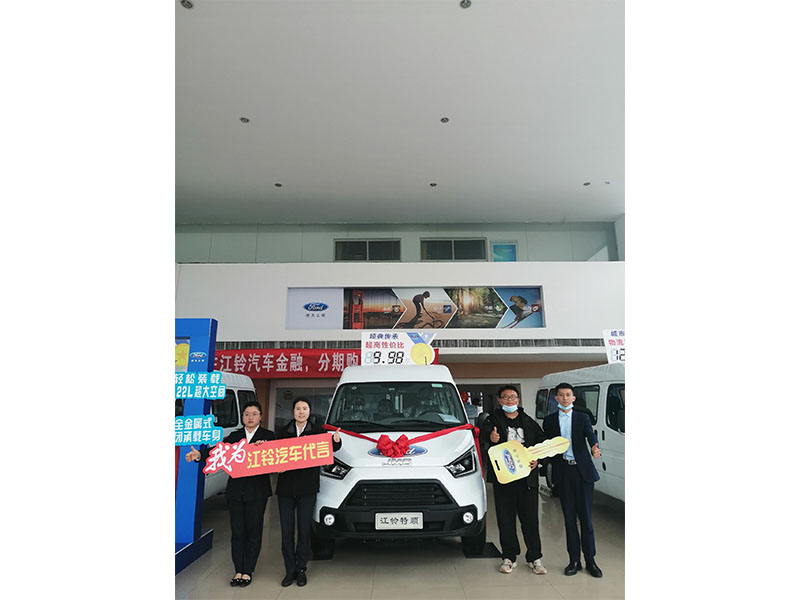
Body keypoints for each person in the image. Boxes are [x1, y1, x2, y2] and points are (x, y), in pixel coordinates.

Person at [185, 400, 276, 587]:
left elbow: (278, 458)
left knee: (254, 531)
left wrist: (265, 448)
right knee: (237, 532)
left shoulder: (268, 436)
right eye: (247, 414)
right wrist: (200, 455)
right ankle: (238, 570)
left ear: (260, 417)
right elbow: (218, 451)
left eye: (254, 414)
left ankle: (248, 570)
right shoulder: (235, 436)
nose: (250, 417)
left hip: (257, 492)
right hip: (236, 492)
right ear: (242, 417)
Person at [479, 385, 547, 575]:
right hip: (505, 479)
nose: (510, 400)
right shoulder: (493, 420)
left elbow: (541, 443)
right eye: (506, 397)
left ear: (518, 400)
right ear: (499, 400)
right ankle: (509, 557)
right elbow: (483, 435)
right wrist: (491, 437)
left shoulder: (528, 421)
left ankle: (535, 558)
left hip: (527, 480)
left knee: (530, 520)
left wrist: (538, 460)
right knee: (506, 520)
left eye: (513, 397)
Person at [277, 398, 342, 587]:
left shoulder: (318, 432)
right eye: (298, 408)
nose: (301, 412)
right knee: (287, 532)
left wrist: (336, 441)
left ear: (309, 411)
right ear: (293, 411)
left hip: (307, 488)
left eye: (304, 408)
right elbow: (271, 455)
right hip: (286, 489)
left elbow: (331, 448)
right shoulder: (282, 432)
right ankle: (289, 570)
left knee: (304, 530)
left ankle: (301, 569)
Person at [542, 382, 603, 578]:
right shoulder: (550, 421)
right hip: (564, 472)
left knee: (586, 519)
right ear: (556, 398)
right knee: (569, 520)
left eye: (568, 395)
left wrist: (595, 447)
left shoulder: (582, 417)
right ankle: (574, 561)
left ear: (573, 398)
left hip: (582, 472)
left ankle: (590, 561)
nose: (565, 398)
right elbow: (546, 446)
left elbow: (591, 436)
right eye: (561, 395)